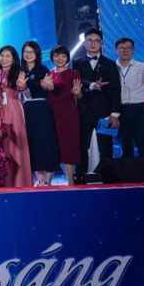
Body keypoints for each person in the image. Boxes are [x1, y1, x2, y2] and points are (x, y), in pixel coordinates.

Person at [74, 28, 122, 181]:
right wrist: (92, 85)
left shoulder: (110, 64)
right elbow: (76, 82)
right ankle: (80, 179)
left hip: (105, 113)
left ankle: (108, 180)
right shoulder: (76, 63)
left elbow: (116, 89)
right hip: (84, 112)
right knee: (82, 147)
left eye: (96, 41)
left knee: (106, 147)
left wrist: (115, 114)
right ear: (84, 43)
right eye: (89, 40)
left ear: (101, 43)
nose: (93, 43)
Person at [19, 41, 60, 186]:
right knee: (33, 143)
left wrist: (48, 86)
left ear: (37, 54)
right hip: (26, 109)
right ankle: (40, 179)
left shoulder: (43, 69)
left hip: (41, 109)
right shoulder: (20, 71)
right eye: (26, 51)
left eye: (31, 52)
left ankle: (48, 179)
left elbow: (50, 86)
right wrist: (21, 87)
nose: (28, 54)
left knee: (46, 141)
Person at [114, 38, 144, 159]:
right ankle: (127, 172)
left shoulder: (142, 66)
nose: (125, 51)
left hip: (140, 111)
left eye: (128, 48)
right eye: (122, 48)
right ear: (116, 50)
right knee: (125, 150)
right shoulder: (111, 67)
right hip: (119, 111)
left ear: (133, 50)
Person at [45, 45, 83, 185]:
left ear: (67, 57)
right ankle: (47, 181)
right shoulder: (49, 74)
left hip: (68, 114)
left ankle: (71, 181)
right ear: (52, 57)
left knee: (68, 146)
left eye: (63, 56)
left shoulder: (74, 73)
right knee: (52, 146)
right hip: (51, 115)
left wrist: (77, 93)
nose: (59, 58)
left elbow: (79, 96)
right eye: (56, 55)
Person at [0, 45, 32, 188]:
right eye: (2, 55)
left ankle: (20, 182)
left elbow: (26, 92)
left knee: (15, 143)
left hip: (13, 109)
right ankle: (5, 182)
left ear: (14, 58)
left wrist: (22, 86)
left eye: (8, 56)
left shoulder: (18, 72)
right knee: (2, 144)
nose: (4, 59)